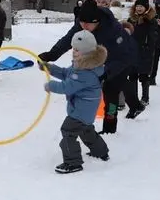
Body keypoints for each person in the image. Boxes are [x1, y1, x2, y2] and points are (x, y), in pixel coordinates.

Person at [38, 0, 138, 135]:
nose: (83, 26)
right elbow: (68, 40)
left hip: (121, 60)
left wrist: (107, 72)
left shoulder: (112, 30)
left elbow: (124, 56)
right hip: (100, 60)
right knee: (109, 87)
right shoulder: (83, 23)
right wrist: (51, 55)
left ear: (96, 22)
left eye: (87, 24)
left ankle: (110, 129)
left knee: (111, 94)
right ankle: (135, 105)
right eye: (81, 22)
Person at [42, 30, 110, 174]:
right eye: (73, 48)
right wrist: (49, 68)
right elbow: (67, 74)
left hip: (82, 108)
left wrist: (50, 86)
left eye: (77, 50)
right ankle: (101, 152)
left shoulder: (85, 72)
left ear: (87, 52)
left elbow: (67, 87)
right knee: (86, 130)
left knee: (68, 131)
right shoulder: (82, 64)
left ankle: (73, 163)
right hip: (85, 107)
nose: (74, 52)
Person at [125, 0, 156, 109]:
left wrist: (148, 49)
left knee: (144, 76)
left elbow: (153, 37)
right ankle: (134, 98)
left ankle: (145, 98)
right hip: (132, 52)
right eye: (137, 6)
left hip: (145, 52)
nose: (139, 8)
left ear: (146, 7)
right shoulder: (131, 19)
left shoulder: (151, 21)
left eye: (141, 6)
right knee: (132, 76)